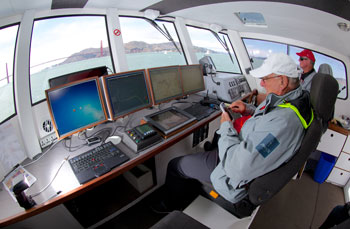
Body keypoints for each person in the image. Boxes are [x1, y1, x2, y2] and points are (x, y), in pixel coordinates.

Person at [154, 53, 313, 212]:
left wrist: (226, 127)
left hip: (230, 175)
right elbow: (268, 119)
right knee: (217, 137)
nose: (262, 83)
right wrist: (248, 109)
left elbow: (236, 167)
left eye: (265, 78)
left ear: (283, 81)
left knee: (175, 165)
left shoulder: (284, 123)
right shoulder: (293, 100)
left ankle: (168, 206)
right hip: (243, 152)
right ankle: (201, 166)